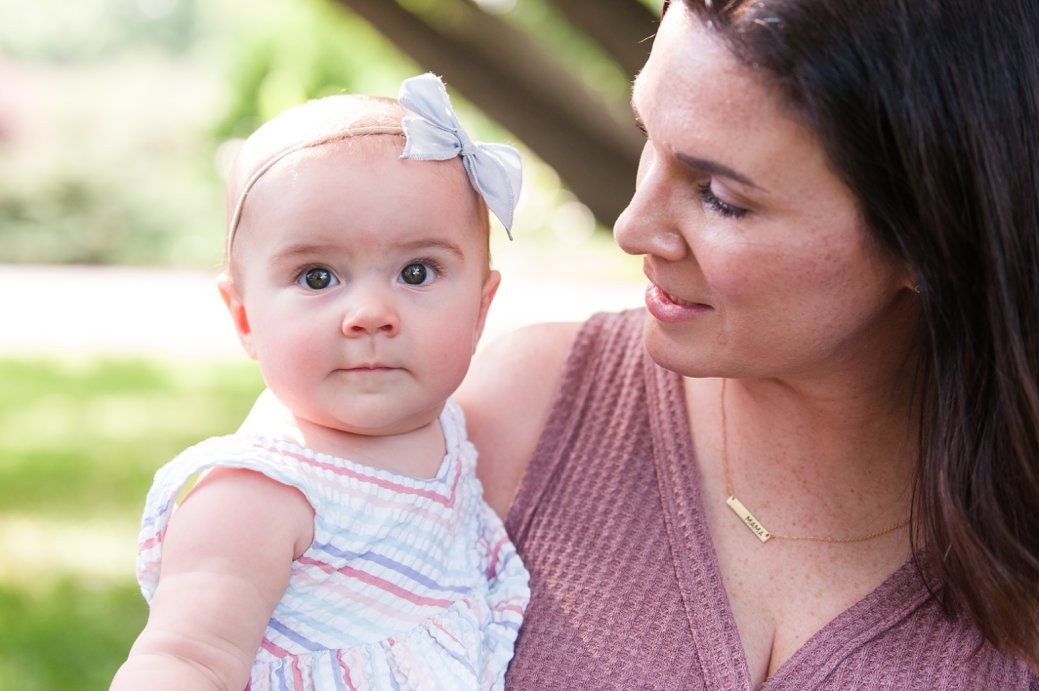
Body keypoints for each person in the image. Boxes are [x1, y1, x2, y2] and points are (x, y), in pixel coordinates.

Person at [454, 0, 1039, 688]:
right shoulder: (517, 417)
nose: (633, 226)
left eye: (720, 195)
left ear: (930, 239)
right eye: (647, 132)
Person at [110, 73, 529, 691]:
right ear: (245, 319)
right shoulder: (258, 494)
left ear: (480, 310)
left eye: (417, 271)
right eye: (316, 277)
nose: (370, 314)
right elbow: (185, 660)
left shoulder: (450, 431)